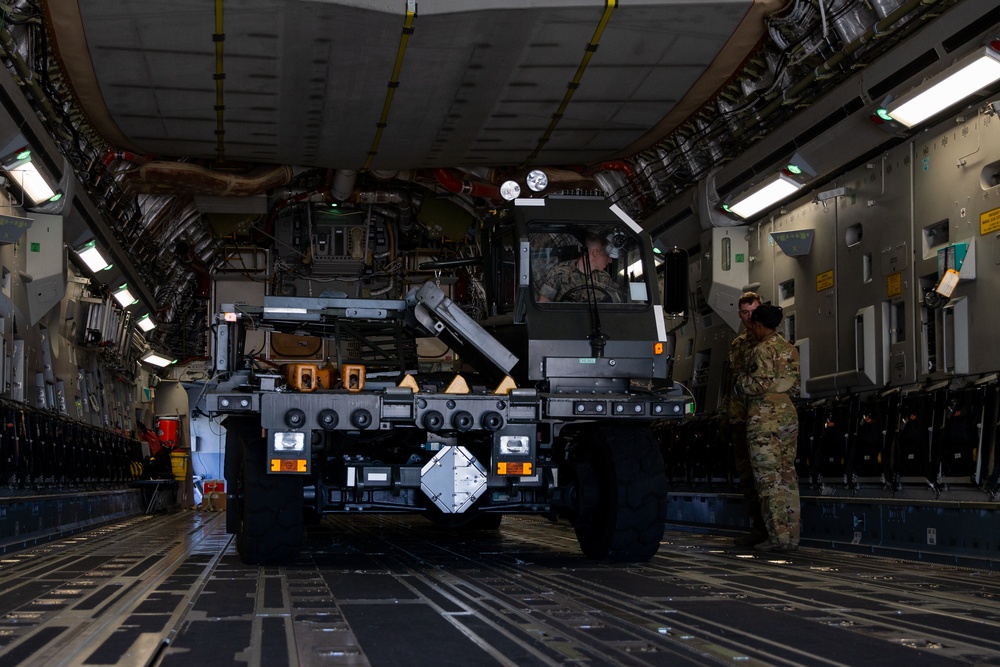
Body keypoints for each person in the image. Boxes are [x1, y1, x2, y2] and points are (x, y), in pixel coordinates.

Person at [736, 303, 801, 553]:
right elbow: (794, 386)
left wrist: (740, 381)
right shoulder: (789, 348)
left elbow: (758, 384)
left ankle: (778, 537)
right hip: (787, 412)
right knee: (788, 476)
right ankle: (793, 536)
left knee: (768, 478)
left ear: (758, 325)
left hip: (764, 416)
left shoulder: (761, 349)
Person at [722, 292, 767, 546]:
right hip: (740, 417)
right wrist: (726, 417)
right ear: (739, 314)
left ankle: (772, 529)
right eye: (745, 313)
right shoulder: (738, 344)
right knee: (747, 477)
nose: (749, 318)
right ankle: (758, 528)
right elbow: (731, 385)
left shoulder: (769, 341)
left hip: (760, 417)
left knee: (765, 476)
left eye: (753, 312)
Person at [537, 232, 621, 303]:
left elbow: (616, 307)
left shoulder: (605, 279)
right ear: (595, 253)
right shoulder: (559, 271)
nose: (610, 260)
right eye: (607, 256)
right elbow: (543, 303)